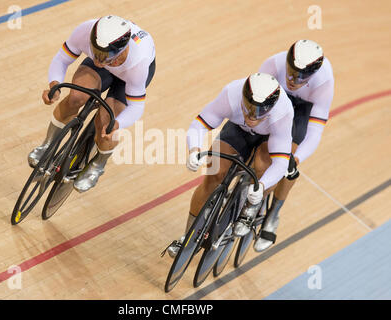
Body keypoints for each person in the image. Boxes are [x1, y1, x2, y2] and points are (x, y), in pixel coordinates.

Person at [167, 72, 294, 258]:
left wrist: (263, 187)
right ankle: (188, 236)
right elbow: (200, 124)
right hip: (238, 129)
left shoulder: (283, 112)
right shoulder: (231, 93)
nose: (252, 116)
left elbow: (281, 162)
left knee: (261, 167)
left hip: (269, 138)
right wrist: (194, 150)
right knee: (213, 174)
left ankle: (250, 209)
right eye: (249, 108)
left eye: (259, 112)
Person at [28, 15, 156, 192]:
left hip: (127, 78)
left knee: (106, 125)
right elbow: (62, 59)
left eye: (105, 57)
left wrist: (118, 123)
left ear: (122, 50)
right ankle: (47, 145)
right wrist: (54, 84)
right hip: (113, 64)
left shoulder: (138, 63)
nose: (98, 61)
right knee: (76, 97)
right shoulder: (85, 31)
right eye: (96, 53)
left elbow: (136, 106)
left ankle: (98, 165)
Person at [253, 39, 334, 252]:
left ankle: (272, 213)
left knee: (288, 159)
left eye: (300, 77)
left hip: (302, 109)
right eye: (291, 72)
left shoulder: (323, 83)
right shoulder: (273, 64)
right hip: (276, 98)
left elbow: (315, 131)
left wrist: (294, 160)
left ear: (312, 75)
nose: (292, 79)